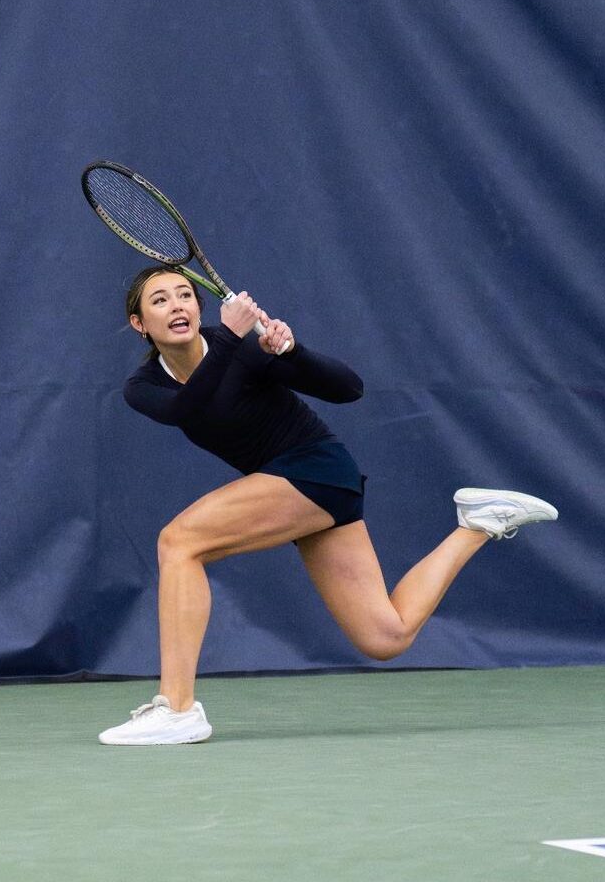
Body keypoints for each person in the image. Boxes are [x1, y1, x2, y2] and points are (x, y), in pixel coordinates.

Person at [98, 265, 558, 745]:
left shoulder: (242, 349)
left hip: (316, 469)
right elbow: (187, 408)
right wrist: (237, 340)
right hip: (289, 489)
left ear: (198, 305)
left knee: (179, 542)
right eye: (161, 300)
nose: (178, 306)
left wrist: (293, 351)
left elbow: (348, 388)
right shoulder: (146, 386)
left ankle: (177, 708)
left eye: (185, 295)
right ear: (139, 324)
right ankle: (478, 524)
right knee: (386, 637)